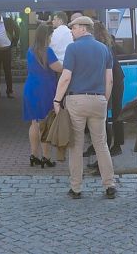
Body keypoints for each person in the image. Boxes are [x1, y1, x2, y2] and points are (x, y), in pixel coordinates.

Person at [52, 16, 116, 200]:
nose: (71, 31)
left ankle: (76, 188)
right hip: (99, 100)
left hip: (77, 101)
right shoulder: (104, 49)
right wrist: (104, 99)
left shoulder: (73, 48)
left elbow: (65, 77)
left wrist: (57, 100)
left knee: (76, 145)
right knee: (101, 144)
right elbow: (109, 79)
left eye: (73, 28)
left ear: (83, 28)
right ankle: (109, 185)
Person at [23, 24, 63, 168]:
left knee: (35, 123)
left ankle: (34, 155)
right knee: (46, 124)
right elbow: (58, 68)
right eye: (51, 35)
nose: (52, 38)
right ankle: (46, 157)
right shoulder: (47, 51)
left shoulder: (30, 50)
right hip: (44, 89)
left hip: (31, 87)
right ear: (46, 36)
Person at [93, 21, 125, 156]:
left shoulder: (103, 45)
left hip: (113, 80)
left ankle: (113, 146)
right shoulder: (108, 41)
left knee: (108, 113)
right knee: (114, 112)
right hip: (115, 79)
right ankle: (113, 145)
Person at [0, 12, 20, 99]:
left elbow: (17, 29)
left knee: (7, 71)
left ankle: (9, 91)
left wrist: (14, 42)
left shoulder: (8, 21)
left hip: (6, 50)